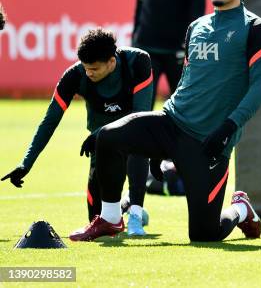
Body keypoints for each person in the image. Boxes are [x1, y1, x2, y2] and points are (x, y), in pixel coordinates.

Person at [68, 0, 261, 242]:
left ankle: (240, 209)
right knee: (106, 136)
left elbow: (259, 88)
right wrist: (158, 144)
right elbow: (186, 83)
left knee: (205, 234)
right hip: (171, 122)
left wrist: (229, 128)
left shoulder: (256, 29)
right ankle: (111, 218)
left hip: (209, 142)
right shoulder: (196, 27)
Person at [1, 28, 154, 236]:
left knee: (138, 142)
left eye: (94, 69)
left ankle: (135, 213)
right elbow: (49, 121)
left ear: (111, 62)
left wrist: (100, 132)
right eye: (85, 67)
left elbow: (140, 116)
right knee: (96, 219)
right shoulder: (75, 75)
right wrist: (26, 163)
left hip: (130, 135)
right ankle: (123, 207)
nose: (88, 73)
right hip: (100, 146)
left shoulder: (138, 62)